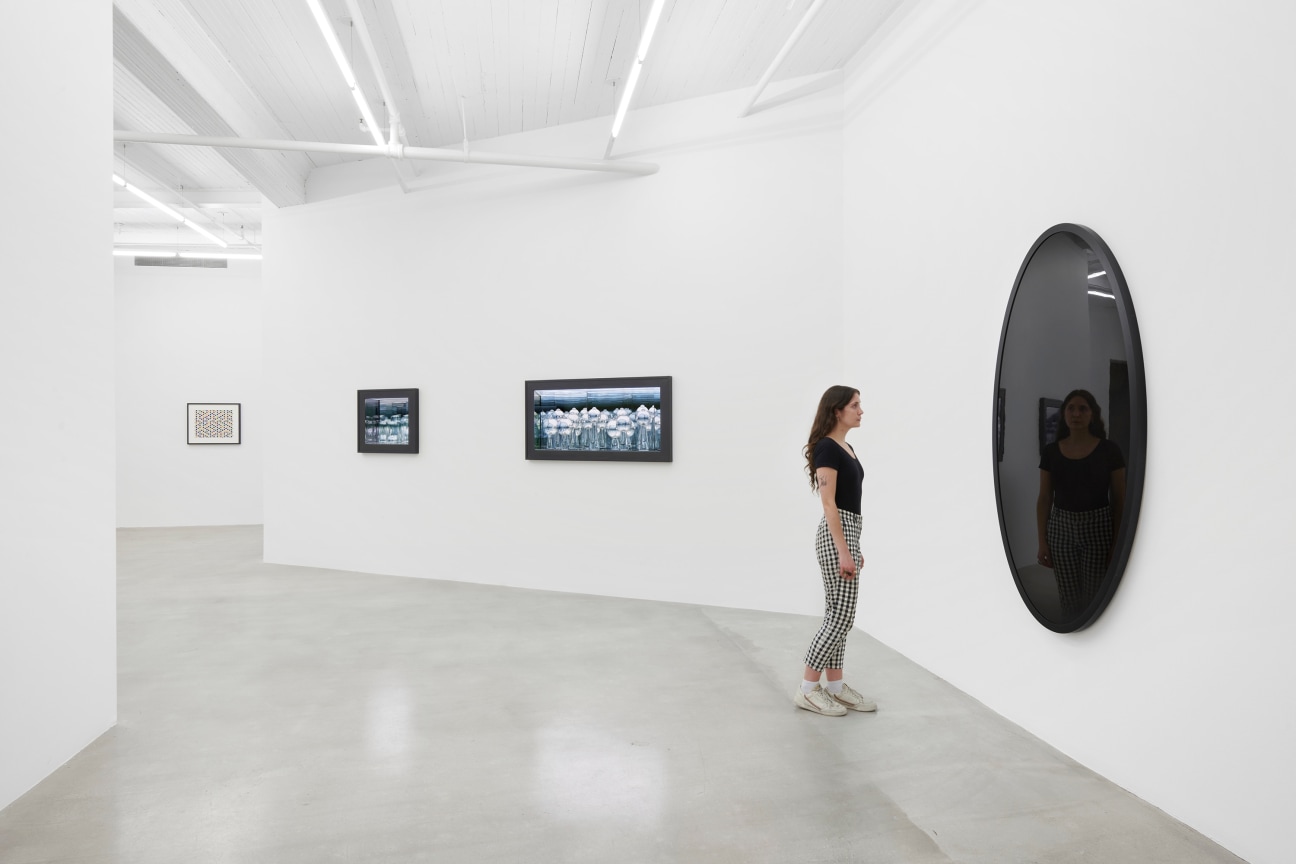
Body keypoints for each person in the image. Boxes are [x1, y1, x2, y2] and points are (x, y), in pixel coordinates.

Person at [794, 386, 877, 716]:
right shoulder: (828, 448)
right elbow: (829, 505)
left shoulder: (846, 446)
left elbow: (847, 506)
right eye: (855, 405)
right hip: (835, 537)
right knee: (842, 618)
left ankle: (835, 686)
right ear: (837, 410)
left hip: (847, 535)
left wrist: (854, 546)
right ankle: (807, 689)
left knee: (836, 617)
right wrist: (844, 550)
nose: (861, 410)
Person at [1036, 389, 1126, 616]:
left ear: (1092, 414)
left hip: (1098, 526)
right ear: (1064, 414)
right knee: (1068, 595)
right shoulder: (1051, 452)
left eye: (1083, 408)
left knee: (1096, 594)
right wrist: (1042, 541)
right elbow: (1045, 498)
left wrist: (1117, 541)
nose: (1076, 413)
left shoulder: (1109, 450)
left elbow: (1120, 499)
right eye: (1071, 408)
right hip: (1061, 528)